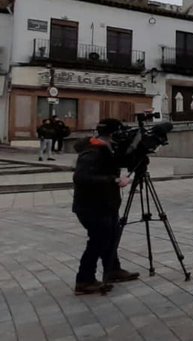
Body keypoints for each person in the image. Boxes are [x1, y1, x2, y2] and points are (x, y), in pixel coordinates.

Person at [72, 118, 140, 295]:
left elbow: (118, 162)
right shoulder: (93, 151)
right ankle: (84, 280)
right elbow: (81, 178)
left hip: (106, 204)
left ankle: (112, 270)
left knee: (112, 237)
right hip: (92, 206)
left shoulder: (106, 148)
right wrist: (115, 180)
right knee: (97, 241)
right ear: (113, 134)